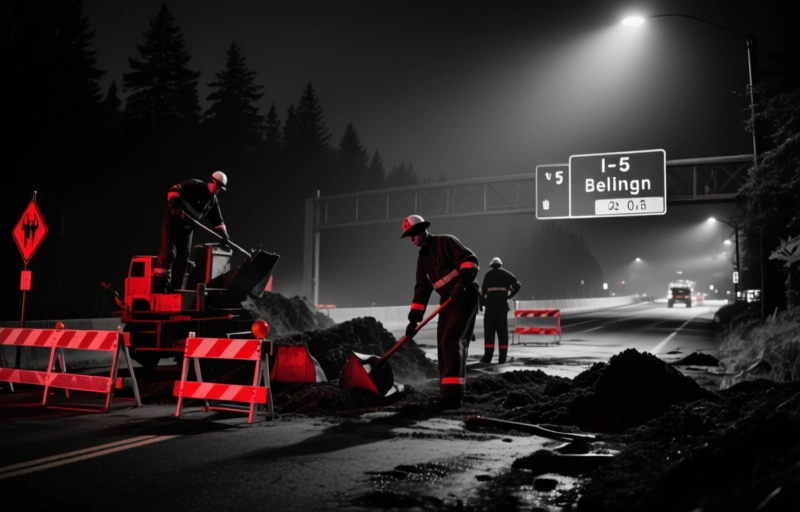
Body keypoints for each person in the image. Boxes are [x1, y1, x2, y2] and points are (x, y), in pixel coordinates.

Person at [402, 214, 480, 411]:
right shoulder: (423, 261)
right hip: (448, 300)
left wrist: (461, 283)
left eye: (413, 234)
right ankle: (447, 393)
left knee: (451, 340)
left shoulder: (445, 242)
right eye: (408, 236)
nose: (411, 239)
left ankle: (453, 398)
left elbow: (470, 261)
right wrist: (413, 321)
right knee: (443, 343)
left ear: (422, 230)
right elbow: (421, 291)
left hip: (465, 295)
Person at [153, 171, 230, 291]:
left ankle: (175, 289)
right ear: (211, 181)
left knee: (183, 259)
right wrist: (175, 204)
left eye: (220, 188)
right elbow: (174, 189)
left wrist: (224, 235)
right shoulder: (195, 185)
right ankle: (159, 286)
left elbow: (218, 221)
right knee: (168, 253)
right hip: (172, 225)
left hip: (186, 231)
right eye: (218, 186)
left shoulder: (212, 202)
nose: (218, 190)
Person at [480, 257, 521, 364]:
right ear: (500, 265)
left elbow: (483, 293)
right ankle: (502, 358)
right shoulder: (506, 275)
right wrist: (511, 295)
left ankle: (488, 357)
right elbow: (518, 285)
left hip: (490, 309)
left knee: (489, 333)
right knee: (502, 333)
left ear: (491, 266)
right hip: (502, 308)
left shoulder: (488, 275)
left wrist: (481, 304)